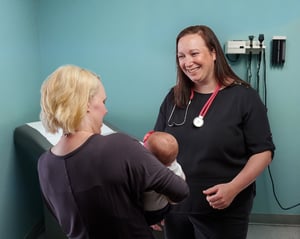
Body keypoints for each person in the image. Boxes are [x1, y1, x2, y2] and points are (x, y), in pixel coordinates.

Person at [37, 64, 189, 239]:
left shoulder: (44, 164)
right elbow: (180, 190)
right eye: (103, 102)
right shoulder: (120, 146)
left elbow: (63, 218)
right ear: (85, 104)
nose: (106, 109)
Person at [153, 25, 275, 239]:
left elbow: (263, 152)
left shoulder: (244, 97)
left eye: (194, 53)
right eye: (181, 56)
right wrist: (154, 201)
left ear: (213, 53)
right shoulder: (174, 98)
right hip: (176, 206)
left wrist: (233, 188)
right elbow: (155, 151)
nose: (187, 62)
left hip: (223, 208)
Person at [142, 131, 186, 225]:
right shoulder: (176, 167)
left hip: (148, 210)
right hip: (162, 207)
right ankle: (160, 220)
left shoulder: (150, 171)